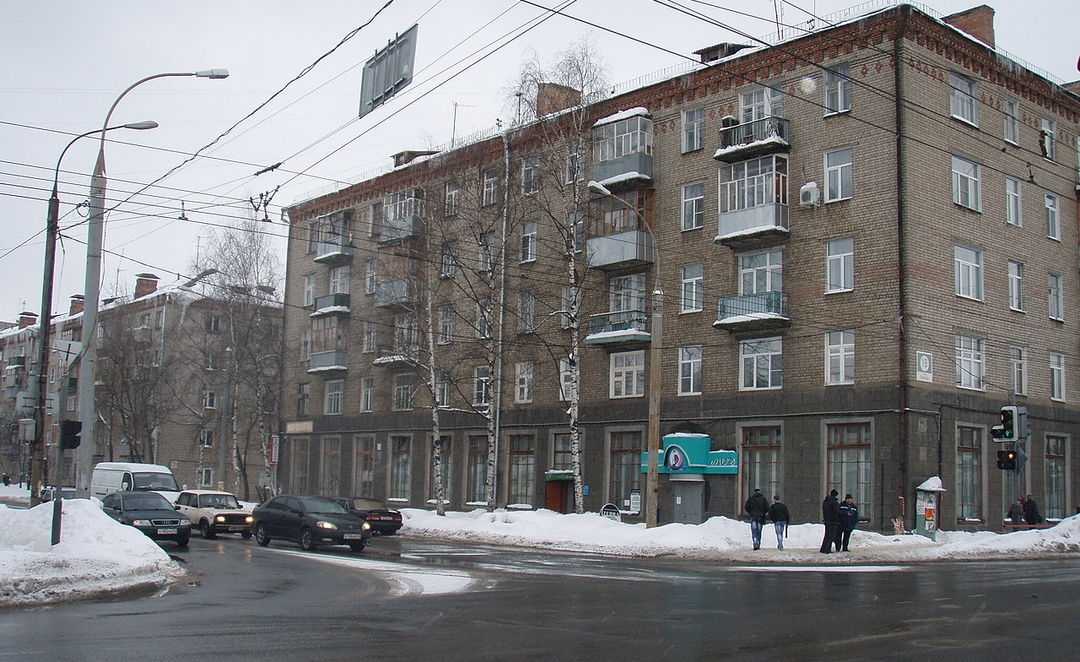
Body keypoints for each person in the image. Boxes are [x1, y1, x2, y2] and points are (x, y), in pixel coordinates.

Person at [820, 489, 840, 553]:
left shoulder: (825, 501)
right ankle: (827, 549)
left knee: (827, 535)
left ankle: (823, 548)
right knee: (831, 535)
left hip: (827, 520)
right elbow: (836, 511)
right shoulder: (834, 502)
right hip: (832, 520)